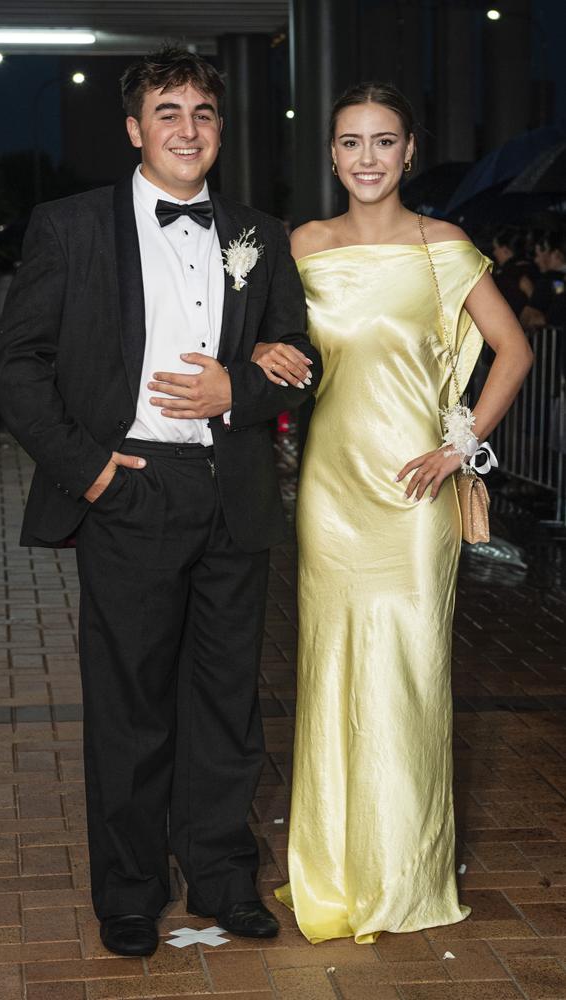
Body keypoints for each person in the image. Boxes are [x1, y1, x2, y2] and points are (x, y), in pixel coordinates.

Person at [0, 46, 321, 958]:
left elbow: (300, 357)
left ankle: (222, 878)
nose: (188, 128)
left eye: (204, 113)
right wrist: (89, 469)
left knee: (226, 704)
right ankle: (131, 892)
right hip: (129, 488)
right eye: (168, 112)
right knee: (131, 705)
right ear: (136, 130)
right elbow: (16, 365)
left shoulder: (259, 232)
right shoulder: (69, 228)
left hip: (232, 490)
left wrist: (240, 394)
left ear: (220, 129)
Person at [255, 81, 533, 945]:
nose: (366, 158)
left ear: (409, 151)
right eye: (349, 143)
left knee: (409, 673)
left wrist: (461, 444)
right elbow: (266, 337)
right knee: (329, 672)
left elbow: (514, 348)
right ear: (331, 154)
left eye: (383, 142)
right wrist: (262, 347)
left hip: (416, 494)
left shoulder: (444, 246)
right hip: (332, 493)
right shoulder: (303, 246)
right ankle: (335, 871)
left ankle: (406, 874)